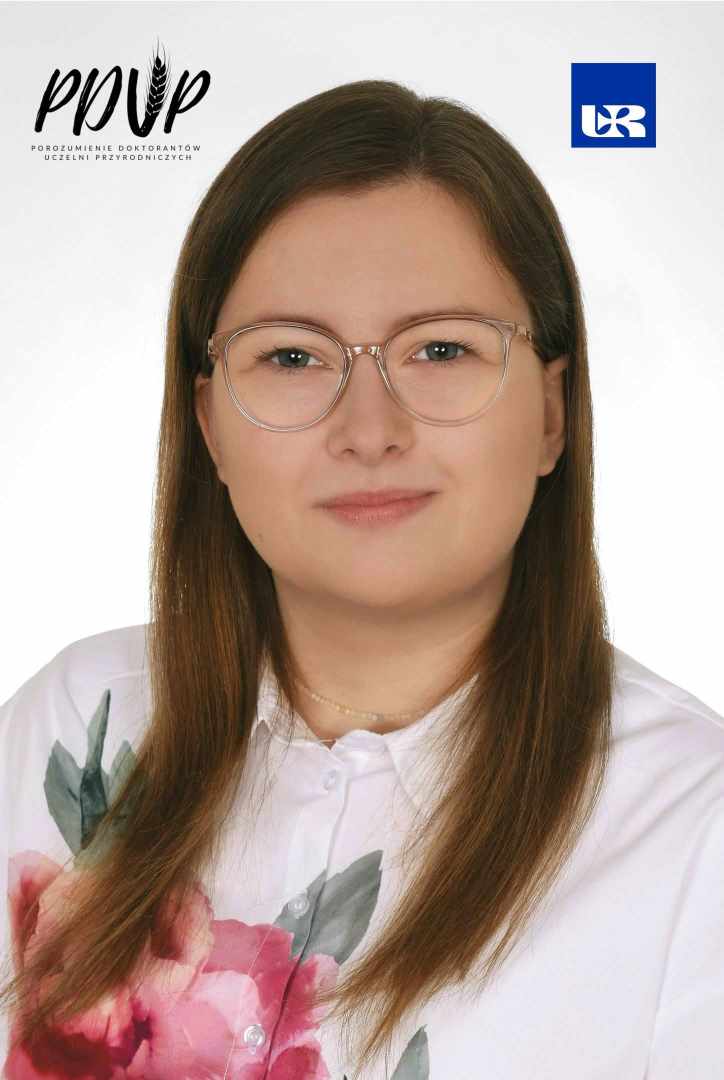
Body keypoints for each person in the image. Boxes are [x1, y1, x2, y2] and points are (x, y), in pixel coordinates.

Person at [1, 78, 722, 1080]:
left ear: (552, 414)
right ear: (209, 426)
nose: (369, 429)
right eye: (292, 357)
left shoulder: (696, 826)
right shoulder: (78, 718)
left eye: (441, 349)